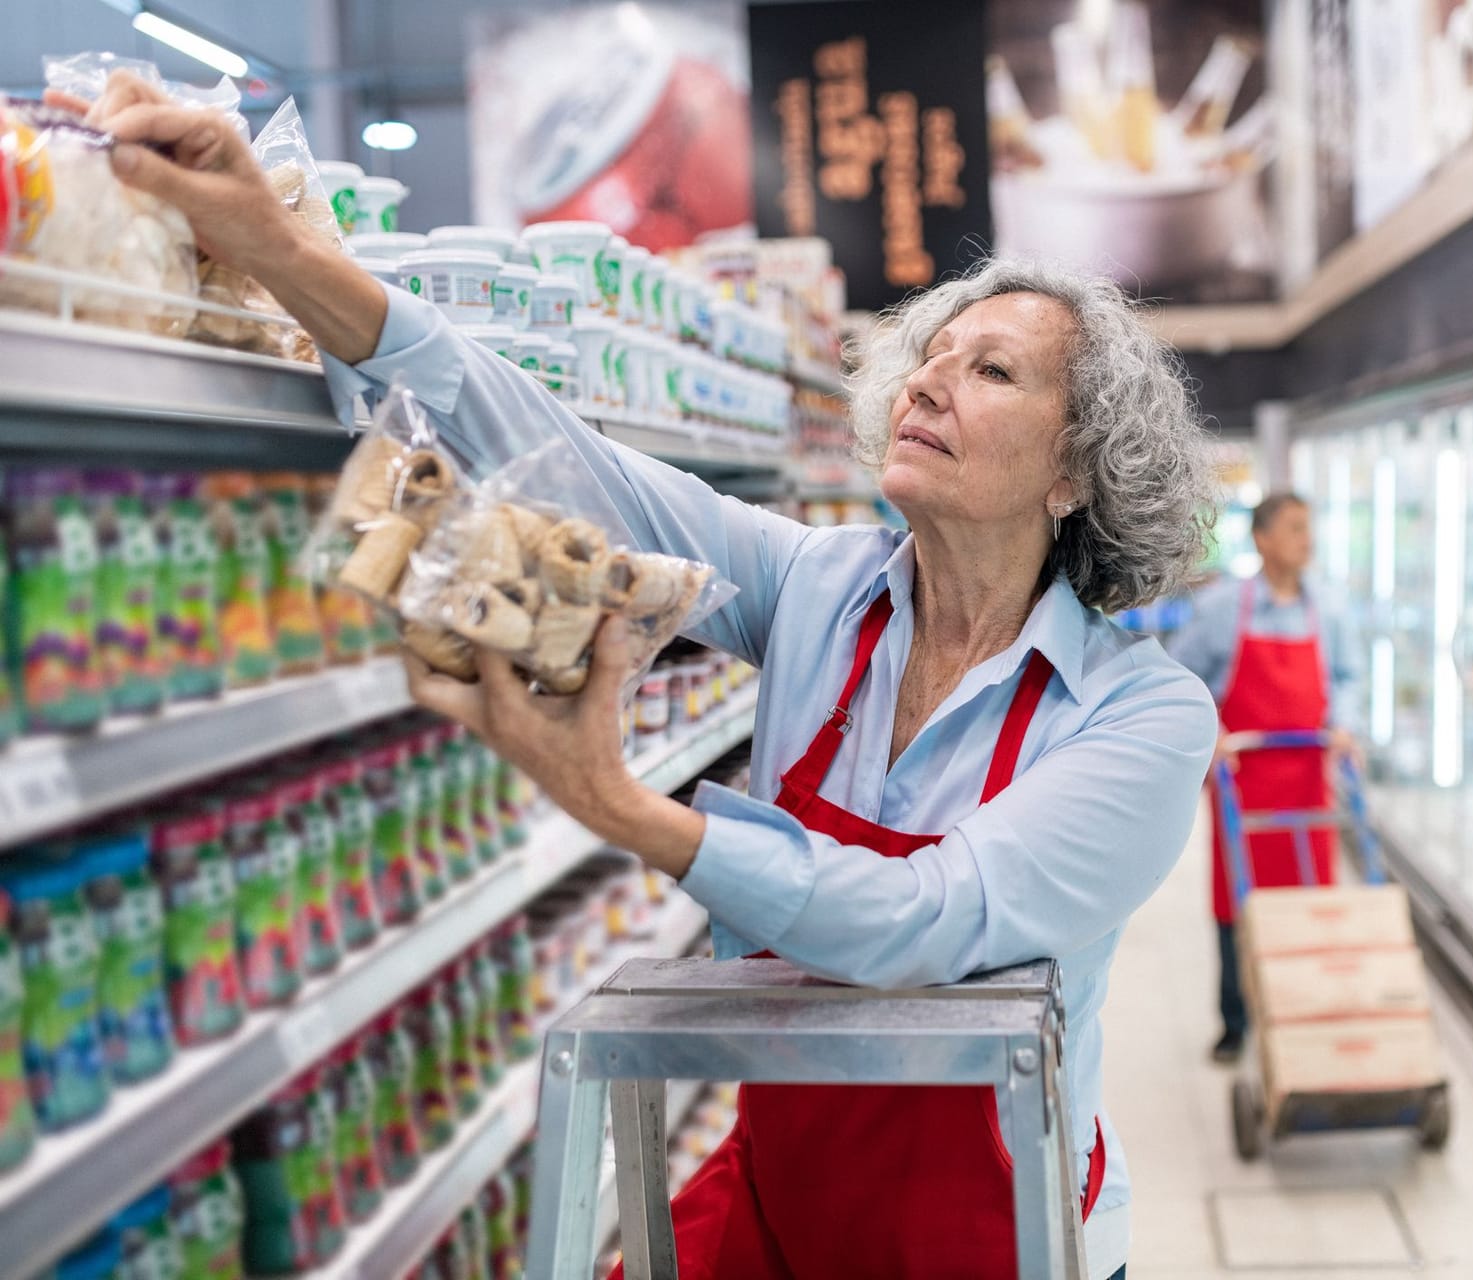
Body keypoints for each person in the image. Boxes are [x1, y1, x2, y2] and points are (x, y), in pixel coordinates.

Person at [72, 73, 1220, 1280]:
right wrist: (283, 249)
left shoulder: (1138, 714)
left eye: (993, 372)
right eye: (928, 357)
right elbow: (562, 459)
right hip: (785, 1198)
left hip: (1002, 1231)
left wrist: (628, 809)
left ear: (1077, 471)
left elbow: (930, 921)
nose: (929, 379)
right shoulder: (818, 589)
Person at [1166, 493, 1361, 1064]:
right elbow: (1180, 675)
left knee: (1307, 896)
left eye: (1310, 527)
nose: (1308, 539)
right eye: (1296, 529)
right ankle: (1235, 1020)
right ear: (1262, 539)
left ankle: (1303, 1008)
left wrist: (1344, 726)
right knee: (1236, 902)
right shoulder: (1226, 608)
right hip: (1243, 781)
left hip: (1305, 779)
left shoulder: (1328, 609)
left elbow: (1346, 676)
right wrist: (1213, 732)